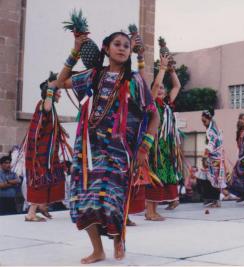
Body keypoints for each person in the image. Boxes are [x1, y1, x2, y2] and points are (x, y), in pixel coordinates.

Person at [56, 32, 159, 263]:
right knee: (85, 200)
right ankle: (98, 249)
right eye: (117, 44)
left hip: (119, 152)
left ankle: (117, 240)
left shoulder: (134, 81)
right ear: (106, 48)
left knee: (112, 197)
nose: (122, 48)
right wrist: (75, 51)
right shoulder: (94, 75)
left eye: (126, 45)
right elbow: (61, 82)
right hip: (89, 151)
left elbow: (154, 117)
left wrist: (144, 148)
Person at [24, 74, 72, 222]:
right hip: (41, 153)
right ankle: (31, 213)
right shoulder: (44, 103)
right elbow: (47, 106)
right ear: (50, 93)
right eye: (59, 91)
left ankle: (43, 206)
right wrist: (51, 88)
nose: (61, 94)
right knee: (41, 178)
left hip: (48, 153)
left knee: (54, 176)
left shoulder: (51, 110)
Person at [145, 53, 183, 221]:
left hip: (165, 146)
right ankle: (149, 211)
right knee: (153, 173)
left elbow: (177, 86)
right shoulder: (151, 103)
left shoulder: (167, 104)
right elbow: (154, 88)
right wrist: (161, 68)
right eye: (157, 87)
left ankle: (153, 210)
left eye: (162, 88)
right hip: (153, 144)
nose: (159, 89)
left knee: (161, 175)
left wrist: (171, 70)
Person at [201, 110, 227, 208]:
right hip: (215, 158)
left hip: (215, 158)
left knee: (215, 180)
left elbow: (211, 144)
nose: (203, 123)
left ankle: (216, 201)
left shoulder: (212, 131)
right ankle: (212, 200)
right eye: (202, 121)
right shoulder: (214, 128)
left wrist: (205, 155)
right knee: (211, 179)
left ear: (210, 119)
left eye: (204, 121)